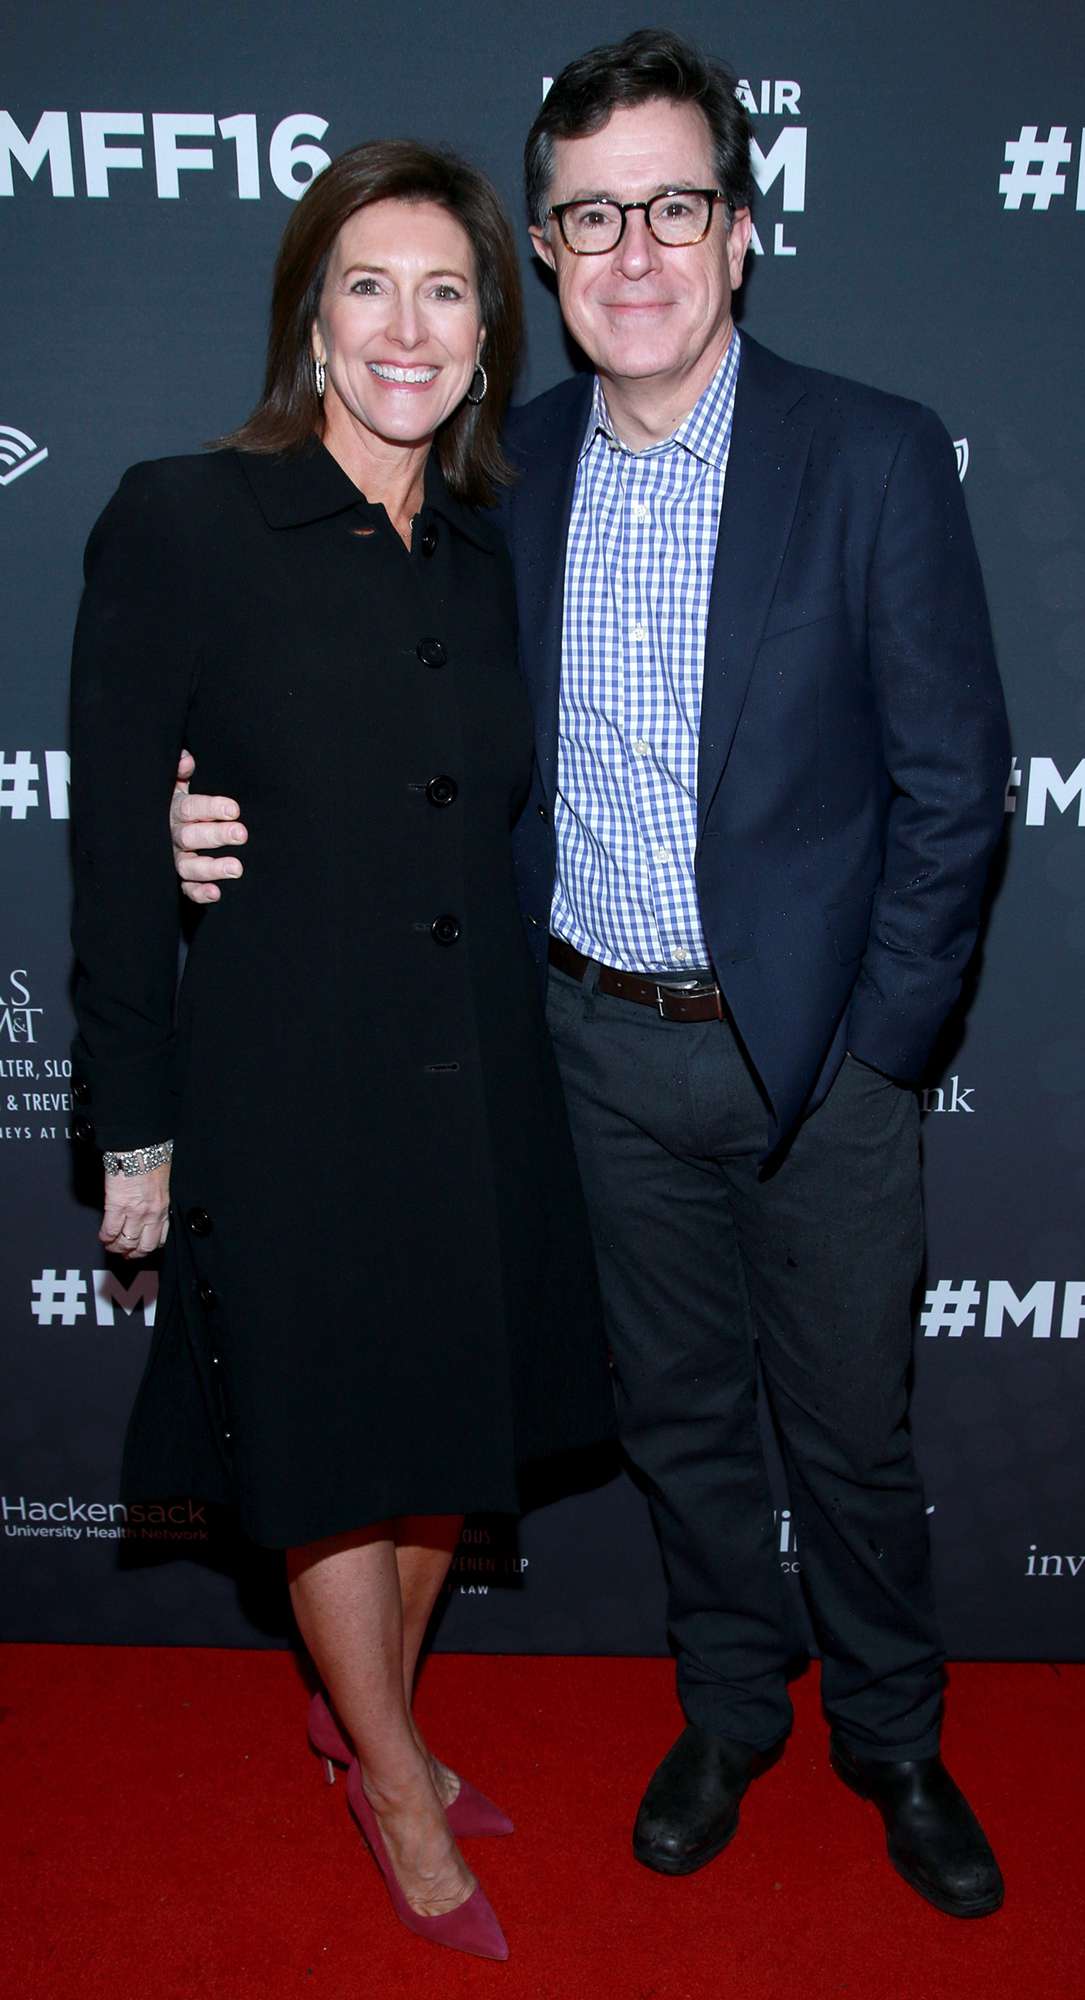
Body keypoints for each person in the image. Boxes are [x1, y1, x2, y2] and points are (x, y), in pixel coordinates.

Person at [170, 31, 1011, 1919]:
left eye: (672, 205)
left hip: (821, 1072)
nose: (633, 250)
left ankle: (892, 1736)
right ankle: (732, 1709)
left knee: (854, 1438)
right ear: (544, 254)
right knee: (686, 1426)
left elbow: (956, 789)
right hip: (588, 1055)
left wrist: (876, 1047)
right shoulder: (501, 467)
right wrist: (179, 783)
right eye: (588, 217)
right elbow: (339, 678)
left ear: (738, 229)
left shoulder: (867, 453)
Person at [69, 138, 614, 1965]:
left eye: (447, 289)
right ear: (312, 321)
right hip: (283, 1080)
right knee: (321, 1447)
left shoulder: (482, 548)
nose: (407, 323)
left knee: (448, 1443)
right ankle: (388, 1770)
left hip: (483, 1068)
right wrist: (133, 1132)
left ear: (486, 339)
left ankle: (362, 1712)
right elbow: (108, 850)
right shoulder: (183, 517)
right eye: (367, 285)